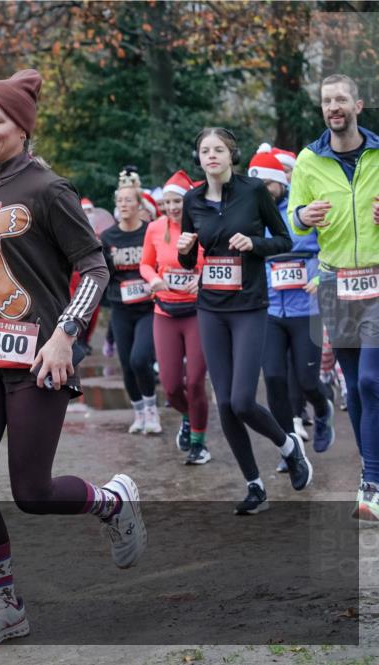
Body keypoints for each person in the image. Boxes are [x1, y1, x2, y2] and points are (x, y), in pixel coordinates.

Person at [0, 69, 145, 648]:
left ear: (22, 126)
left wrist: (65, 334)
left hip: (37, 358)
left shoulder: (49, 189)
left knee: (32, 492)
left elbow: (95, 268)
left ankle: (112, 502)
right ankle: (6, 602)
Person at [178, 127, 309, 515]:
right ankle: (254, 485)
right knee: (225, 407)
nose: (211, 155)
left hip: (250, 306)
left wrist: (255, 244)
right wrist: (186, 252)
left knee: (242, 400)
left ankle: (289, 446)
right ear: (198, 158)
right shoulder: (193, 200)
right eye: (205, 150)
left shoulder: (253, 192)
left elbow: (285, 240)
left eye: (219, 149)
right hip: (211, 309)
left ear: (232, 155)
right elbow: (189, 259)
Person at [288, 74, 379, 520]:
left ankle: (372, 482)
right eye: (327, 101)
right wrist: (304, 213)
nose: (334, 106)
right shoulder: (308, 159)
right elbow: (294, 220)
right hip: (335, 283)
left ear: (358, 105)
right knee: (358, 391)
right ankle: (373, 468)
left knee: (370, 381)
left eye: (341, 98)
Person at [248, 150, 335, 468]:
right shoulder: (250, 214)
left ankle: (323, 409)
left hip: (306, 307)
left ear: (282, 182)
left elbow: (331, 243)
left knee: (307, 380)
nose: (264, 190)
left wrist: (321, 274)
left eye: (269, 184)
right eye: (258, 184)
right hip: (268, 308)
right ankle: (290, 446)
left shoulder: (301, 211)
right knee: (273, 378)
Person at [140, 169, 211, 463]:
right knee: (170, 386)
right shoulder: (155, 229)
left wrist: (203, 277)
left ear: (189, 202)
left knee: (194, 381)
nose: (171, 208)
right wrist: (153, 279)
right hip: (165, 311)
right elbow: (145, 265)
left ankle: (198, 442)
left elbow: (216, 260)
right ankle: (187, 415)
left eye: (176, 202)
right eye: (166, 203)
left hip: (197, 312)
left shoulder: (204, 227)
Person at [102, 168, 160, 434]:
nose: (123, 205)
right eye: (120, 200)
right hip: (121, 308)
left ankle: (151, 408)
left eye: (129, 200)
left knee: (140, 359)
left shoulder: (150, 232)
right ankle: (138, 412)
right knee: (126, 363)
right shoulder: (108, 238)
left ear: (139, 205)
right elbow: (103, 273)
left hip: (148, 308)